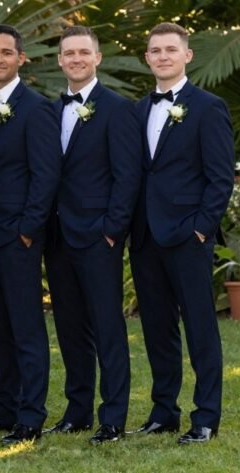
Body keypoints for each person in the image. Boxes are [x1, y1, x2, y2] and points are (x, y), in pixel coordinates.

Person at [129, 22, 234, 445]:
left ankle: (206, 416)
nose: (162, 56)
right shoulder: (138, 110)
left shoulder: (208, 107)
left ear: (187, 55)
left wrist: (201, 230)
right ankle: (163, 411)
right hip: (145, 237)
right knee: (156, 327)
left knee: (200, 327)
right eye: (155, 50)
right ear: (148, 57)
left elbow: (220, 177)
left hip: (188, 237)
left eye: (171, 49)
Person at [42, 26, 141, 445]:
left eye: (84, 52)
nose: (76, 58)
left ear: (97, 58)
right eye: (69, 53)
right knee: (69, 326)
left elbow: (127, 175)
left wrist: (111, 231)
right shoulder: (51, 109)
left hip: (98, 236)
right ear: (60, 61)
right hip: (58, 236)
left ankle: (113, 416)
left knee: (107, 327)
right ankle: (77, 409)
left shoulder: (117, 109)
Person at [0, 24, 60, 445]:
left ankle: (31, 414)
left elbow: (46, 175)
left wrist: (27, 230)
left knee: (25, 328)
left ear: (21, 58)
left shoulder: (37, 108)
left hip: (17, 236)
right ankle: (4, 406)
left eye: (7, 52)